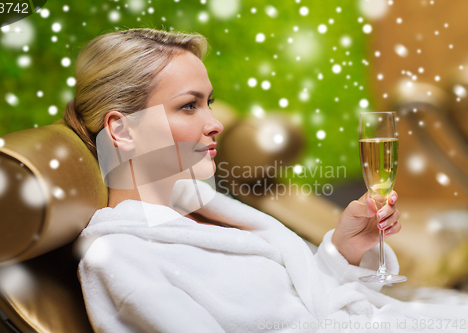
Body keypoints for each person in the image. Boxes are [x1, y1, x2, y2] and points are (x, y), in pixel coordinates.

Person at [65, 28, 466, 332]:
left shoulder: (200, 207)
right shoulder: (120, 257)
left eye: (209, 103)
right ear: (122, 130)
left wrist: (343, 250)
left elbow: (295, 301)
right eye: (188, 106)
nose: (215, 123)